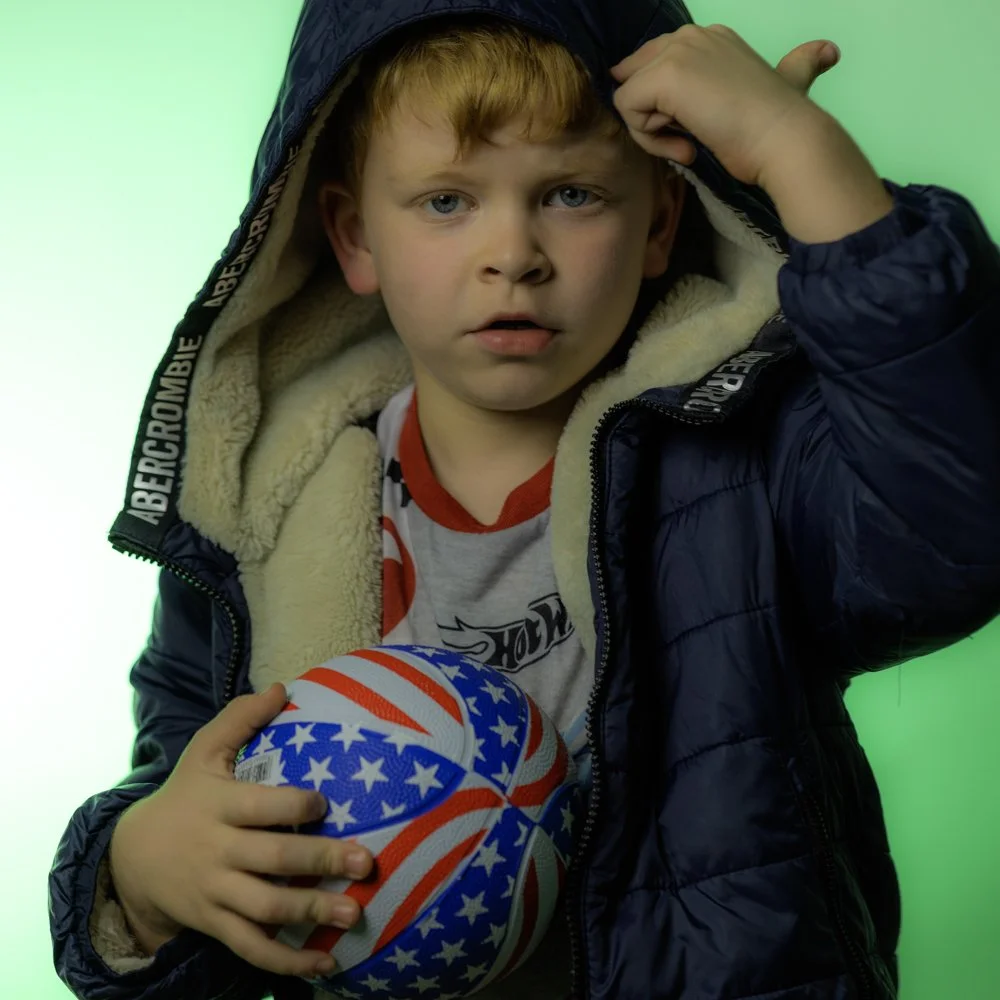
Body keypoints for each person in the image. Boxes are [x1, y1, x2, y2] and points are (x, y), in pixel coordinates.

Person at [49, 1, 1000, 999]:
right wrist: (140, 876)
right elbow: (179, 776)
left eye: (573, 194)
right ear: (351, 235)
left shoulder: (742, 456)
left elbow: (956, 524)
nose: (513, 253)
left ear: (659, 223)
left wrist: (799, 154)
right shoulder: (259, 510)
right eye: (446, 201)